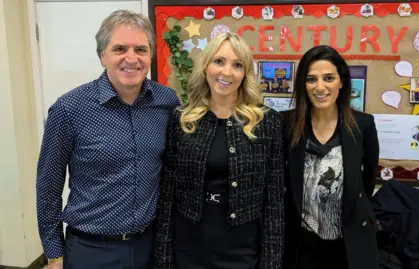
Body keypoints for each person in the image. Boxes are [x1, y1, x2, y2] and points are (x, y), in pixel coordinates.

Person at [36, 10, 179, 269]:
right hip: (91, 250)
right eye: (120, 48)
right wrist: (54, 254)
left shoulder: (167, 102)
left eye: (141, 49)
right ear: (102, 55)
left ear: (151, 55)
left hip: (151, 245)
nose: (131, 58)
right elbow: (48, 187)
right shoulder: (69, 109)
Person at [154, 32, 284, 269]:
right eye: (219, 61)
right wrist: (163, 260)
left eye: (237, 65)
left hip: (243, 250)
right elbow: (168, 196)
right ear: (206, 67)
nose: (227, 72)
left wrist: (271, 262)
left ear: (245, 74)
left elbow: (274, 201)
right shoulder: (182, 119)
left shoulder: (267, 121)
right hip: (190, 249)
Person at [282, 45, 380, 269]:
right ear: (303, 85)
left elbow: (366, 183)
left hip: (349, 243)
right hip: (301, 244)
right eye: (311, 79)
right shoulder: (286, 124)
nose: (320, 87)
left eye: (328, 78)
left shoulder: (363, 125)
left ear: (341, 81)